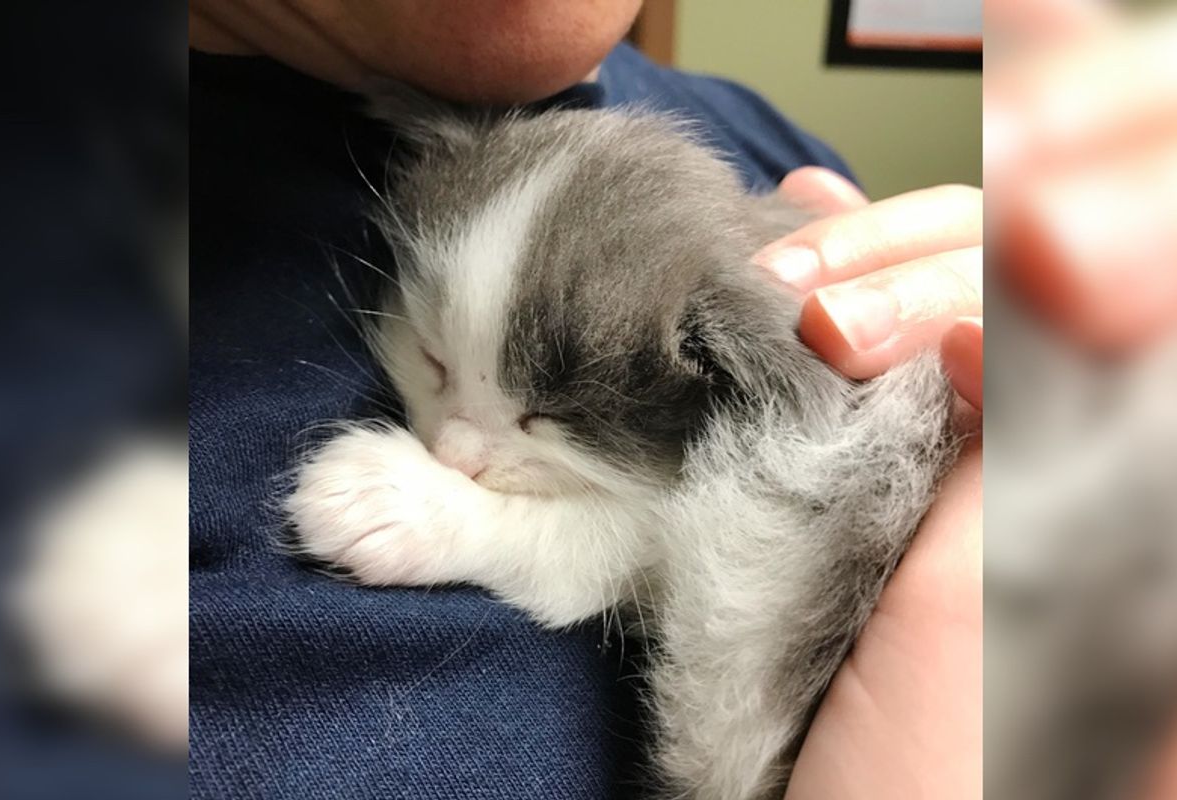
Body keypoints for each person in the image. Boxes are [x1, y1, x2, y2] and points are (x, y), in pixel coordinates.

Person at [188, 2, 983, 798]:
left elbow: (710, 521)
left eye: (545, 423)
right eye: (430, 358)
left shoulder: (782, 157)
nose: (454, 455)